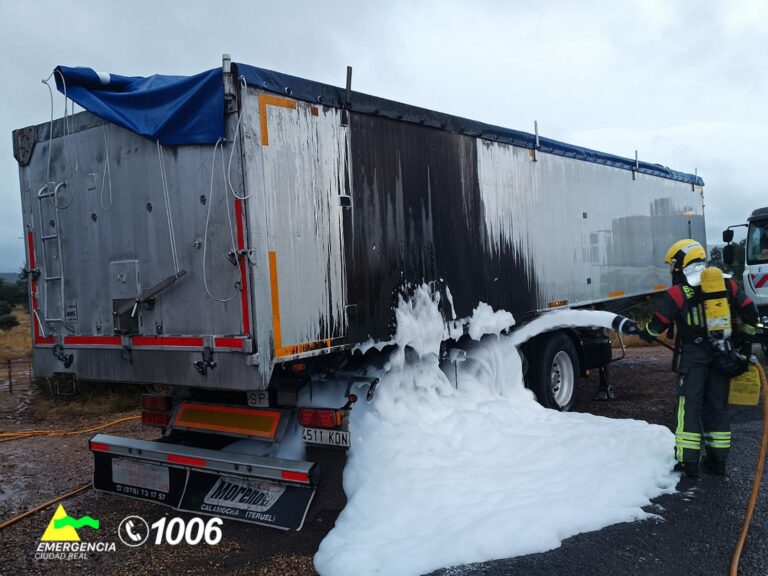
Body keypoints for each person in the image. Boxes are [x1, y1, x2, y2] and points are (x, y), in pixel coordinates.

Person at [620, 239, 758, 477]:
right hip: (722, 355)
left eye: (674, 264)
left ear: (682, 262)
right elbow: (750, 311)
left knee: (689, 407)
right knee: (717, 407)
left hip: (694, 359)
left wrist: (645, 333)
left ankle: (688, 462)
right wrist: (744, 345)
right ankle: (718, 462)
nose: (673, 270)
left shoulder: (678, 292)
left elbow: (658, 325)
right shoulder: (727, 284)